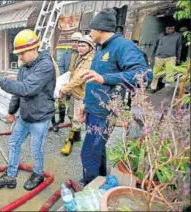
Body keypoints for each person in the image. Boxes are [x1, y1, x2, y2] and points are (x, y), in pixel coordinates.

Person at [79, 8, 150, 185]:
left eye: (91, 30)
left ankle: (91, 190)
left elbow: (144, 74)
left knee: (89, 153)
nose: (89, 34)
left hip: (105, 113)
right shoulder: (100, 48)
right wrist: (84, 103)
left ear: (101, 29)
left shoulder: (123, 46)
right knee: (97, 152)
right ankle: (98, 183)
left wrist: (105, 78)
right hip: (93, 109)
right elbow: (94, 79)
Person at [0, 29, 56, 191]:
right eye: (18, 53)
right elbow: (18, 91)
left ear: (34, 49)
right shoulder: (24, 66)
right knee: (14, 142)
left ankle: (38, 174)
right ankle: (11, 175)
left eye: (22, 53)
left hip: (40, 118)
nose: (19, 57)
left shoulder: (46, 66)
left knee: (36, 150)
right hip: (25, 115)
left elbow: (27, 88)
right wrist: (11, 111)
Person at [59, 35, 95, 156]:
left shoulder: (88, 61)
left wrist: (64, 89)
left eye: (83, 45)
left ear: (90, 47)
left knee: (76, 118)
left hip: (81, 95)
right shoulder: (80, 57)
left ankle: (69, 142)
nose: (80, 47)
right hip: (75, 92)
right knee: (70, 115)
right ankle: (77, 136)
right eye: (79, 45)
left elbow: (79, 78)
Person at [150, 20, 182, 92]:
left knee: (170, 74)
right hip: (159, 56)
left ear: (174, 28)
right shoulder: (160, 35)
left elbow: (179, 47)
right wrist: (152, 56)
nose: (170, 30)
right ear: (165, 28)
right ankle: (153, 88)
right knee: (155, 73)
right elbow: (154, 46)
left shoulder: (178, 36)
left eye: (172, 28)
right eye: (169, 28)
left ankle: (167, 90)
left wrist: (178, 58)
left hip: (171, 57)